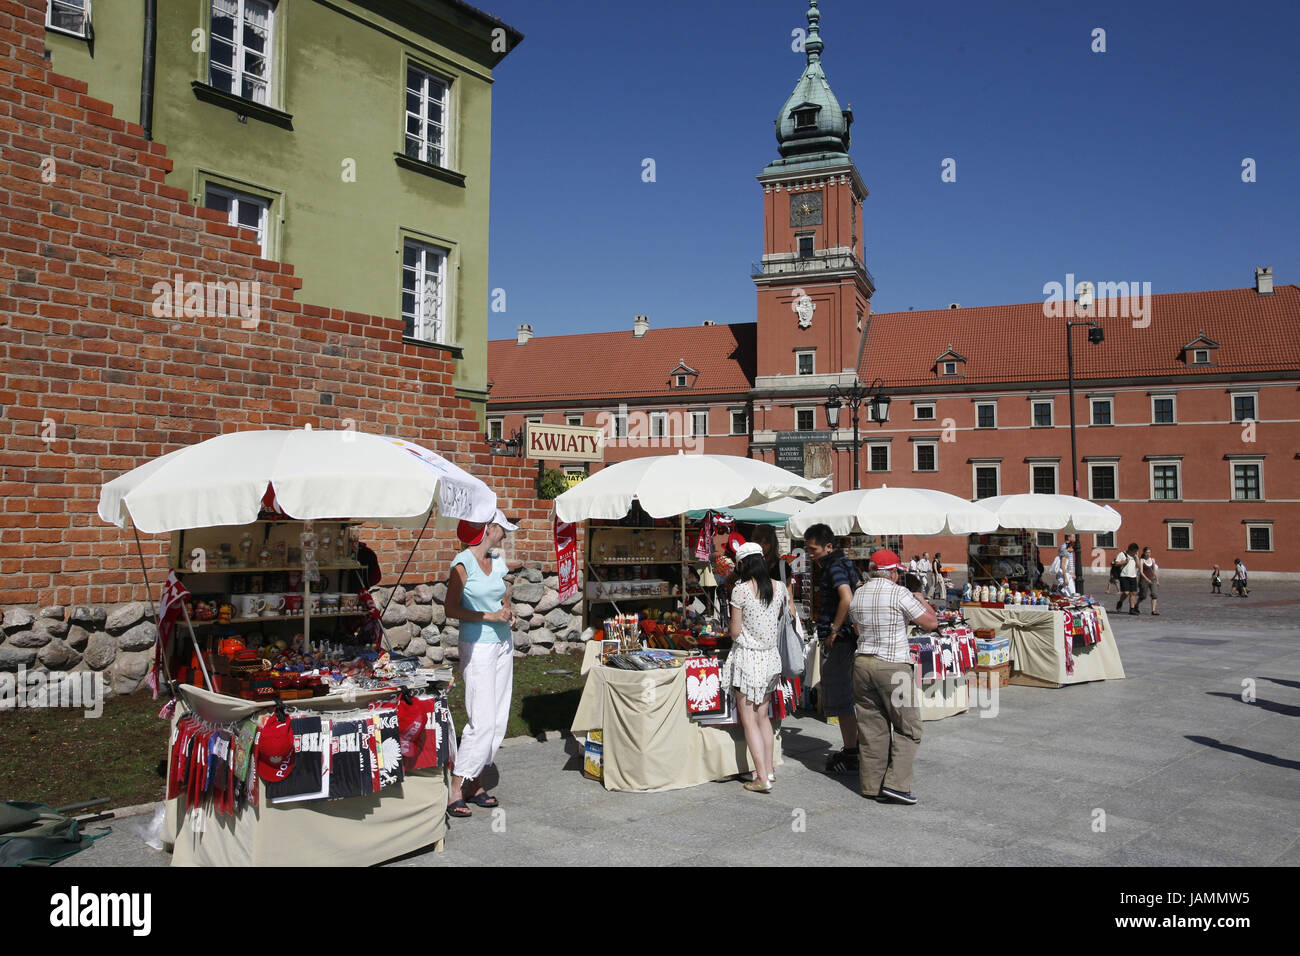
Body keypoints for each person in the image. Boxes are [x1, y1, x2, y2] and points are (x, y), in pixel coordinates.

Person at [848, 549, 939, 805]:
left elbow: (856, 628)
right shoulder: (899, 593)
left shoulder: (859, 594)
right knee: (909, 727)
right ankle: (897, 785)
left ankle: (871, 785)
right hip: (892, 665)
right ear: (893, 572)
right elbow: (931, 622)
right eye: (897, 571)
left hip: (862, 662)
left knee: (871, 728)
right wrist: (920, 598)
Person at [445, 510, 518, 818]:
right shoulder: (462, 565)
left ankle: (476, 783)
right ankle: (456, 788)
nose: (507, 532)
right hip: (478, 645)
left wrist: (507, 607)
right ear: (488, 528)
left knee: (499, 718)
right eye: (502, 527)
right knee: (482, 718)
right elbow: (451, 608)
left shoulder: (496, 560)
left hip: (503, 644)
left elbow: (502, 591)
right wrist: (489, 616)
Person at [724, 542, 783, 793]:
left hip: (748, 659)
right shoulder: (780, 588)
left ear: (742, 564)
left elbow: (735, 632)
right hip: (771, 658)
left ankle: (761, 777)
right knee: (764, 717)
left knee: (748, 719)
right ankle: (768, 769)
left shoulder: (741, 591)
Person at [803, 523, 861, 774]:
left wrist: (835, 629)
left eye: (813, 549)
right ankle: (855, 748)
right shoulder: (843, 563)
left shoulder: (834, 566)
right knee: (846, 696)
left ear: (828, 546)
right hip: (848, 637)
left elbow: (847, 597)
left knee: (840, 698)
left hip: (839, 640)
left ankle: (851, 754)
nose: (810, 553)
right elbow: (857, 588)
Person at [1115, 542, 1140, 615]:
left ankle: (1131, 609)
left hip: (1133, 576)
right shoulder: (1122, 554)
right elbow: (1116, 563)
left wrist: (1136, 558)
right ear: (1131, 550)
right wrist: (1125, 562)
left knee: (1133, 593)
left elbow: (1138, 566)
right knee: (1126, 592)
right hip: (1124, 576)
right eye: (1135, 551)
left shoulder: (1135, 556)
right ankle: (1120, 602)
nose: (1136, 552)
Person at [1137, 546, 1160, 615]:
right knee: (1143, 595)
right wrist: (1147, 579)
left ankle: (1153, 610)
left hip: (1153, 579)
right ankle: (1136, 605)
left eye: (1149, 552)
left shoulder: (1153, 560)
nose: (1148, 554)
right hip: (1144, 579)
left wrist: (1157, 580)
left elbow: (1154, 571)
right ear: (1144, 553)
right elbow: (1141, 572)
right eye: (1147, 552)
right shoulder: (1142, 560)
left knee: (1154, 594)